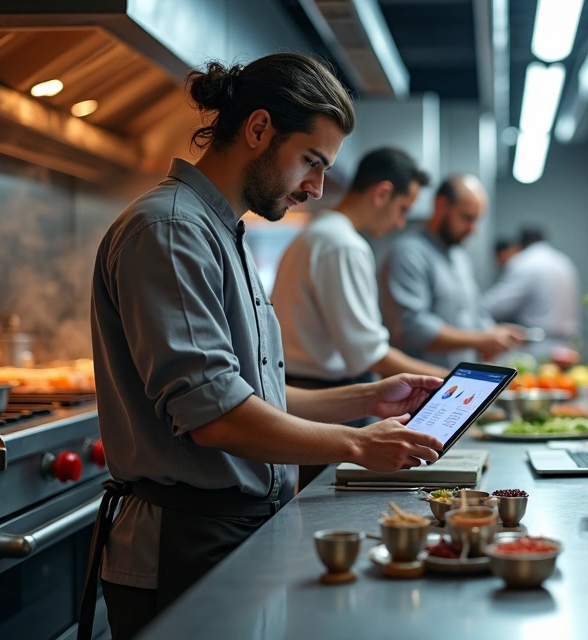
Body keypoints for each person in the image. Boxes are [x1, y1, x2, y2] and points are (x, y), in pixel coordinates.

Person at [81, 53, 444, 640]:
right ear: (257, 130)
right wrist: (356, 442)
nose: (317, 187)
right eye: (311, 160)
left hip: (228, 532)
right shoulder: (171, 228)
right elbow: (216, 418)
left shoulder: (223, 231)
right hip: (183, 543)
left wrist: (368, 396)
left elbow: (251, 394)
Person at [272, 147, 447, 387]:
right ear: (382, 194)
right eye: (403, 209)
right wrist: (450, 379)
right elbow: (370, 354)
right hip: (324, 392)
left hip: (298, 384)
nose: (400, 223)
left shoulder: (315, 234)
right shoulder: (344, 245)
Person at [380, 175, 526, 368]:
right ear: (441, 205)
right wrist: (481, 339)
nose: (473, 229)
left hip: (458, 385)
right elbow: (412, 328)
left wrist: (494, 333)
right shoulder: (409, 253)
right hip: (421, 389)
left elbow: (474, 314)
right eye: (467, 218)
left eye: (477, 220)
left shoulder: (460, 257)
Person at [481, 226, 581, 360]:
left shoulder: (524, 262)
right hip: (567, 347)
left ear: (520, 244)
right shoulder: (564, 262)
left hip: (535, 349)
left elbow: (494, 306)